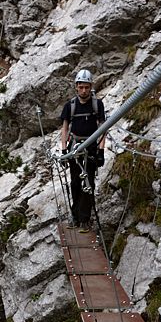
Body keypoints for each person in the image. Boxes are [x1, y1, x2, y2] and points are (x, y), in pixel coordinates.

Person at [59, 69, 106, 233]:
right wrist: (64, 150)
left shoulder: (97, 105)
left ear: (90, 87)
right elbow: (65, 128)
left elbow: (102, 128)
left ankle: (84, 219)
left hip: (91, 148)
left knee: (89, 183)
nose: (84, 90)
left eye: (86, 87)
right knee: (75, 183)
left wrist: (101, 151)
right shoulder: (70, 106)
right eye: (81, 87)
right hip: (75, 149)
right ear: (76, 87)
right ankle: (75, 215)